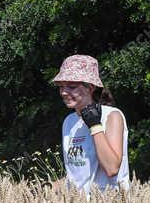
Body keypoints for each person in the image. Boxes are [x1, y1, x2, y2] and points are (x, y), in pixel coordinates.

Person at [52, 54, 129, 194]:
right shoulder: (69, 121)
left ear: (90, 87)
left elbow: (111, 168)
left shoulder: (112, 116)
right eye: (61, 86)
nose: (64, 92)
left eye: (72, 86)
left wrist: (94, 125)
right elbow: (78, 176)